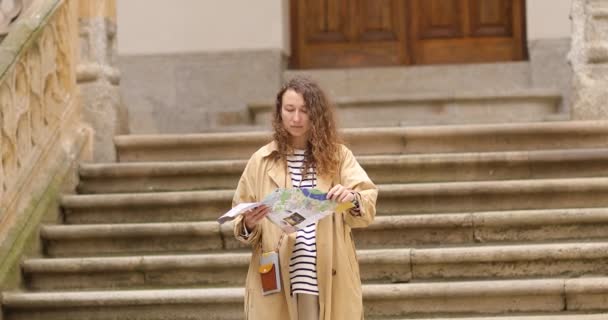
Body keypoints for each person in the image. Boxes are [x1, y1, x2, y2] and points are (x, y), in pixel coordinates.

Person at [232, 76, 378, 320]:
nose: (296, 118)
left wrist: (351, 197)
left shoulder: (338, 156)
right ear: (279, 112)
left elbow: (367, 202)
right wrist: (249, 222)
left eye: (304, 111)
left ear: (317, 114)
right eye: (289, 110)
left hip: (328, 273)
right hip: (278, 273)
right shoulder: (261, 160)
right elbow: (240, 218)